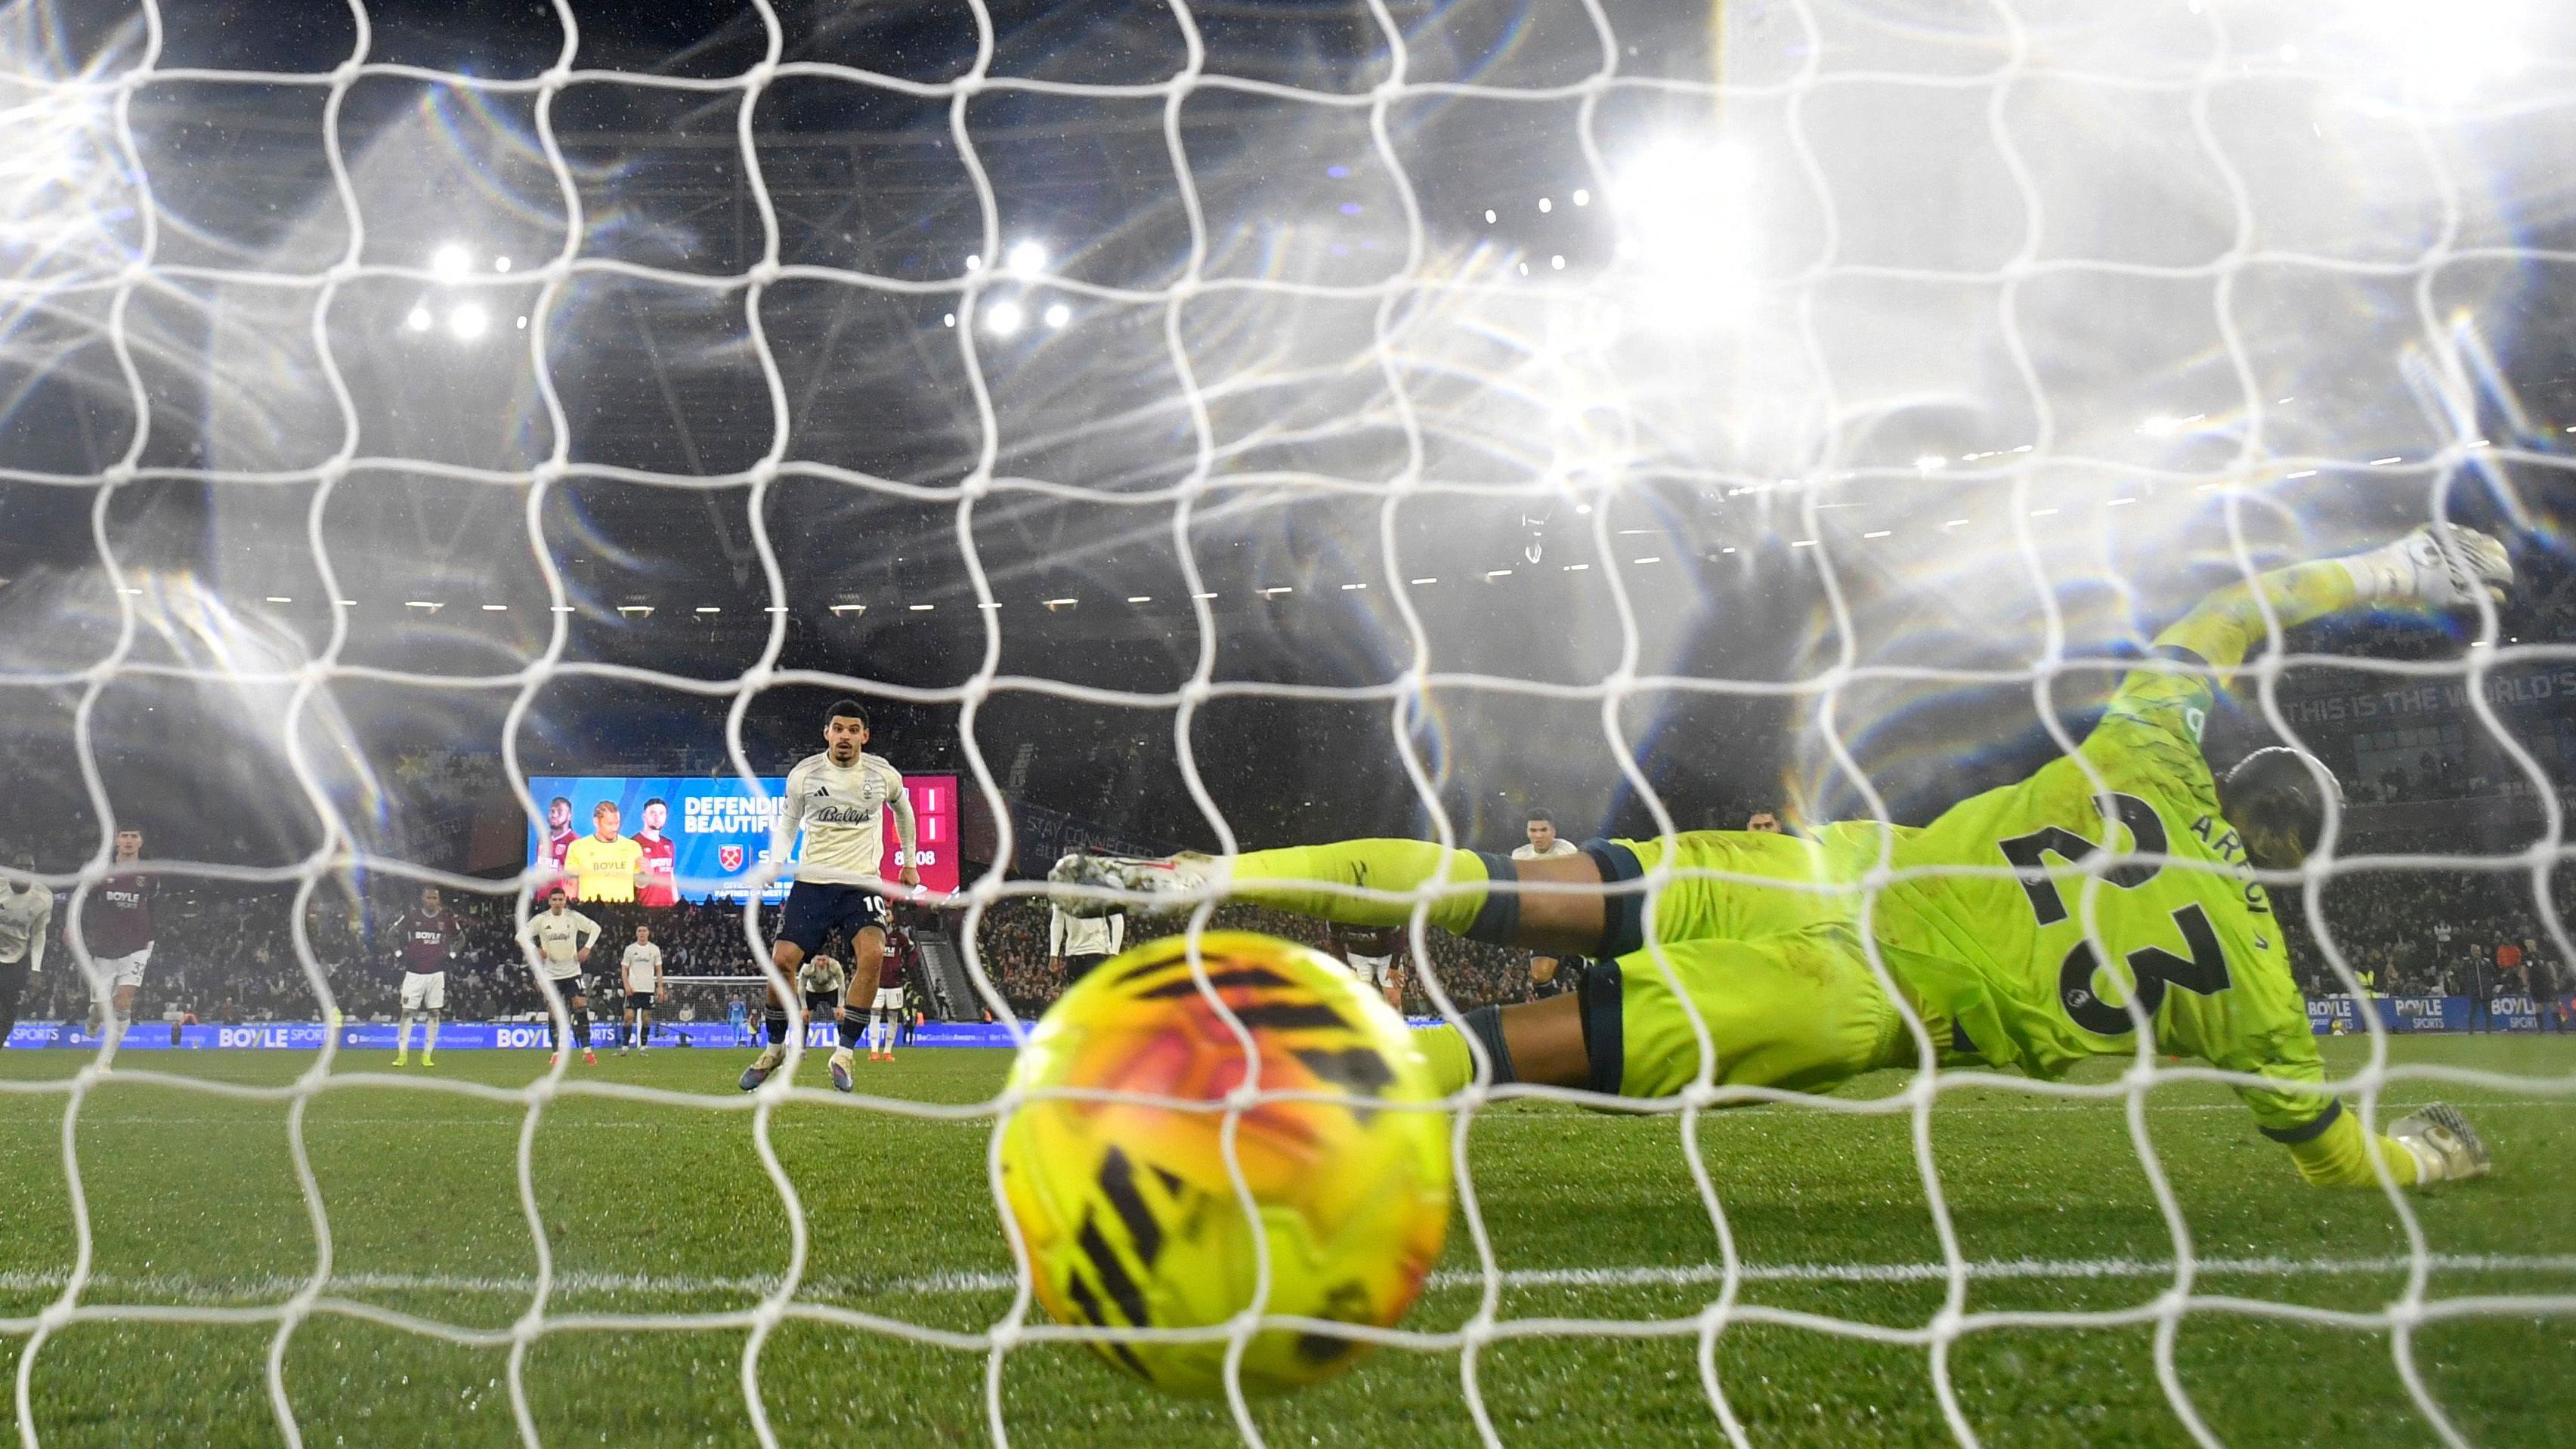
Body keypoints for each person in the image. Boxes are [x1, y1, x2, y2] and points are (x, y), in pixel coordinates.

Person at [1054, 525, 2513, 1191]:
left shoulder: (2147, 744)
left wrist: (2390, 571)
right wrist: (2415, 1159)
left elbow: (2229, 612)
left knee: (1497, 880)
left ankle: (1199, 877)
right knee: (1491, 1052)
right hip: (1862, 1008)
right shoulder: (2251, 977)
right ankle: (1229, 1118)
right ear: (2289, 866)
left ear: (2230, 768)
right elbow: (2328, 1152)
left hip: (1823, 874)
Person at [738, 700, 920, 1094]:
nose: (845, 736)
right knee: (782, 961)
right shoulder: (804, 775)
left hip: (861, 882)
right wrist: (775, 861)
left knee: (872, 954)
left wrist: (908, 863)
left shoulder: (881, 774)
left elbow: (903, 811)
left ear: (864, 737)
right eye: (838, 728)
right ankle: (774, 1049)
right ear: (827, 733)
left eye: (853, 730)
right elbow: (788, 821)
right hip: (814, 882)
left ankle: (845, 1053)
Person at [79, 829, 154, 1051]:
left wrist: (153, 936)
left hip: (138, 945)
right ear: (116, 841)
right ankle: (94, 1017)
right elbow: (84, 902)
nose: (129, 840)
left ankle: (109, 1056)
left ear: (141, 841)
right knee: (102, 1007)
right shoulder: (102, 871)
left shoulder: (149, 874)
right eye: (125, 836)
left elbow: (155, 907)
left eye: (134, 836)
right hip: (105, 946)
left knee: (123, 1002)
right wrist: (72, 927)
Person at [518, 888, 602, 1066]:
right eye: (554, 899)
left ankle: (587, 1050)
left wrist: (587, 947)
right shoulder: (541, 920)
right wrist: (535, 949)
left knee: (581, 1007)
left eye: (560, 899)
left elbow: (596, 928)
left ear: (565, 901)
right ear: (549, 901)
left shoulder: (572, 917)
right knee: (554, 1012)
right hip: (551, 975)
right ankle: (556, 1052)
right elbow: (520, 937)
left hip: (572, 972)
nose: (557, 902)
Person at [1515, 808, 1585, 999]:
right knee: (1539, 976)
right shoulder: (1519, 856)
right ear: (1527, 832)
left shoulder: (1565, 850)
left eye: (1543, 830)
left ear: (1553, 832)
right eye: (1533, 830)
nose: (1538, 835)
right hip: (1545, 924)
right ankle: (1557, 1010)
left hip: (1570, 920)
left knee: (1595, 977)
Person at [389, 885, 459, 1067]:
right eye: (428, 898)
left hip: (436, 973)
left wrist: (452, 956)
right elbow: (391, 935)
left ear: (439, 901)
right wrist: (399, 955)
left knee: (434, 1012)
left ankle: (427, 1055)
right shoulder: (412, 916)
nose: (431, 901)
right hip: (414, 973)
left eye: (434, 898)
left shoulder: (446, 919)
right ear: (423, 900)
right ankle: (402, 1054)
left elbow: (461, 938)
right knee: (406, 1012)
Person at [0, 853, 52, 1047]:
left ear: (34, 870)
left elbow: (39, 933)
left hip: (16, 959)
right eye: (19, 866)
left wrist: (36, 970)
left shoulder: (44, 896)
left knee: (9, 1009)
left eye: (28, 867)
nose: (23, 871)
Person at [566, 800, 644, 905]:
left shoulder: (633, 847)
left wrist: (647, 873)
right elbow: (571, 885)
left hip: (622, 913)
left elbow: (640, 884)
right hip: (591, 912)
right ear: (596, 822)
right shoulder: (578, 847)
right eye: (609, 824)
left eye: (617, 823)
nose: (614, 828)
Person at [1330, 922, 1406, 1012]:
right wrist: (1346, 966)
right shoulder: (1341, 914)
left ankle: (1394, 1024)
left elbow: (1400, 934)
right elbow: (1334, 939)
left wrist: (1394, 965)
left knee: (1394, 1000)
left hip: (1387, 955)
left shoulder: (1380, 910)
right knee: (1361, 999)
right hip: (1358, 955)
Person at [1048, 900, 1126, 987]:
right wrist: (1054, 954)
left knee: (1095, 993)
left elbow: (1117, 919)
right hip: (1073, 952)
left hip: (1098, 950)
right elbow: (1057, 921)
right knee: (1077, 997)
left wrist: (1114, 953)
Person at [619, 922, 663, 1055]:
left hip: (648, 989)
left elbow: (659, 970)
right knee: (628, 1017)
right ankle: (625, 1047)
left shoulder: (654, 949)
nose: (642, 933)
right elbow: (624, 969)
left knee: (646, 1018)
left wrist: (660, 987)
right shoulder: (630, 949)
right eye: (640, 931)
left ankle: (643, 1047)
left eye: (644, 931)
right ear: (636, 933)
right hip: (633, 989)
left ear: (648, 933)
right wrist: (626, 985)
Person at [635, 797, 679, 909]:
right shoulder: (634, 844)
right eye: (653, 813)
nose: (657, 818)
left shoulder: (669, 844)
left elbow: (671, 876)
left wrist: (677, 904)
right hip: (645, 908)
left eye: (661, 814)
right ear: (644, 816)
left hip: (669, 909)